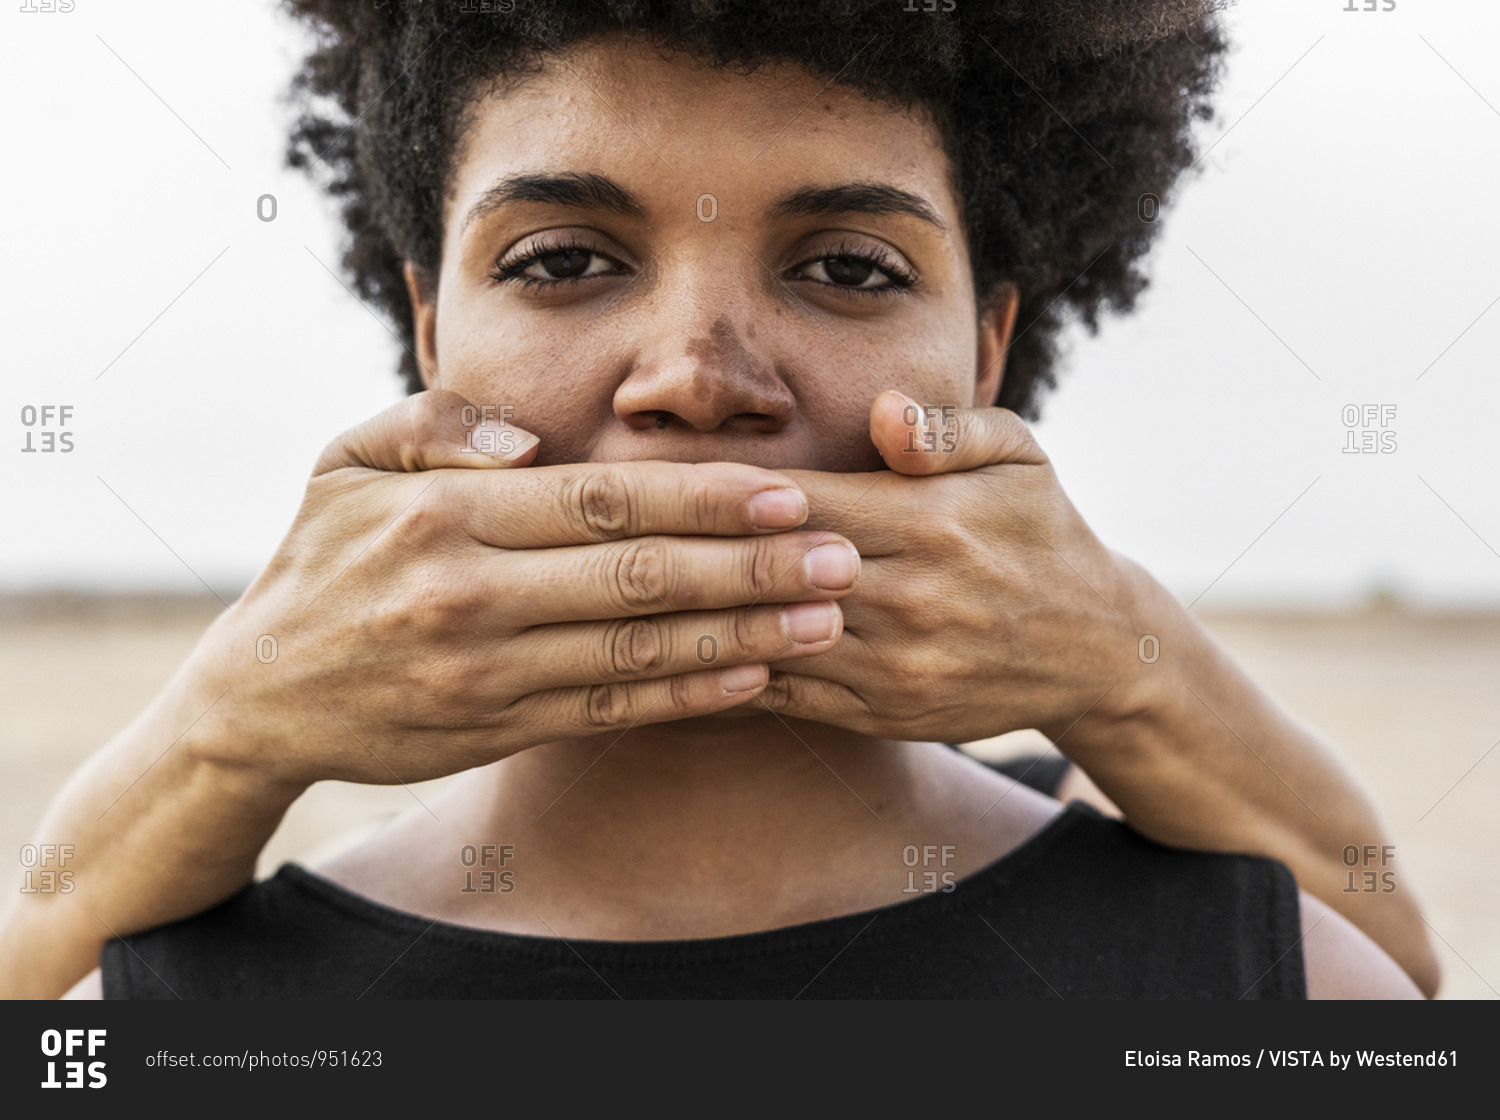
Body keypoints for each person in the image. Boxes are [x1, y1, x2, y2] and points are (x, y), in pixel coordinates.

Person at [3, 0, 1434, 998]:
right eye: (562, 259)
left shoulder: (1282, 980)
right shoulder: (147, 1009)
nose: (699, 378)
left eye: (851, 267)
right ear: (430, 333)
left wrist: (1112, 645)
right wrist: (233, 720)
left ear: (985, 352)